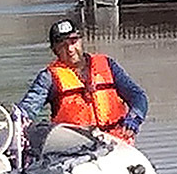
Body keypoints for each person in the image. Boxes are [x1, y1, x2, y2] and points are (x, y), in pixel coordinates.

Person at [16, 18, 148, 144]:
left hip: (116, 143)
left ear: (81, 41)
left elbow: (137, 96)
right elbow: (27, 110)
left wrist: (134, 119)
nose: (70, 49)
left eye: (73, 42)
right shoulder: (48, 77)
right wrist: (15, 122)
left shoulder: (107, 64)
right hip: (74, 148)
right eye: (62, 45)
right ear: (54, 50)